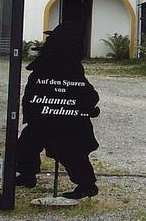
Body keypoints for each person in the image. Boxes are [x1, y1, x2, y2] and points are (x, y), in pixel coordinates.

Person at [15, 21, 100, 199]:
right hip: (45, 120)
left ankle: (87, 185)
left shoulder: (70, 67)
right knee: (27, 145)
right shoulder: (49, 64)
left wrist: (83, 108)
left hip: (67, 123)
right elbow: (33, 92)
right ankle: (27, 175)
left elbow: (87, 94)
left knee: (71, 152)